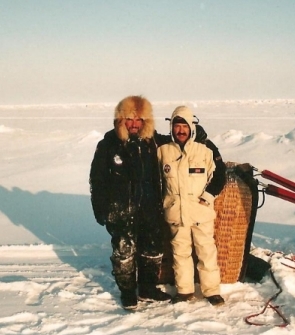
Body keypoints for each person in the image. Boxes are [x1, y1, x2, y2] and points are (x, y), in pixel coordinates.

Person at [89, 95, 171, 310]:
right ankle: (127, 292)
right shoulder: (108, 144)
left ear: (146, 122)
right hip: (121, 209)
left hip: (150, 207)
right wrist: (101, 209)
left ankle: (147, 288)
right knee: (124, 253)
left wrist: (199, 136)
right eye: (130, 119)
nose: (134, 124)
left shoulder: (152, 142)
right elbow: (97, 180)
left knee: (152, 250)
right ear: (120, 120)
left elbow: (180, 140)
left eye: (139, 120)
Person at [157, 105, 225, 306]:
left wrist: (208, 196)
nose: (181, 131)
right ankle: (185, 291)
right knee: (181, 254)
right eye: (177, 126)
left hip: (200, 211)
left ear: (191, 127)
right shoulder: (163, 150)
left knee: (206, 252)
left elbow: (219, 174)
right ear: (171, 128)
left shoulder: (205, 148)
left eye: (184, 126)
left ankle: (212, 291)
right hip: (176, 212)